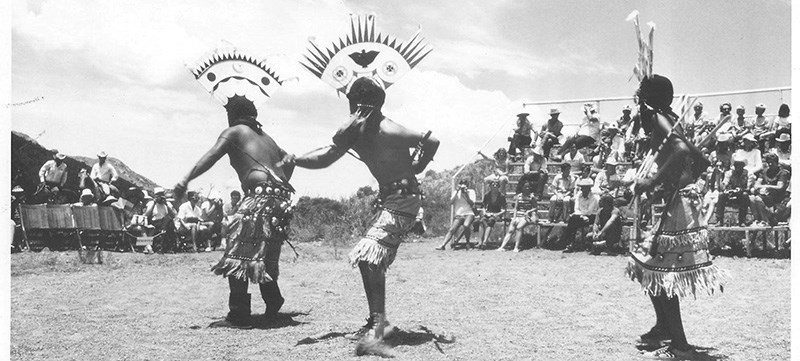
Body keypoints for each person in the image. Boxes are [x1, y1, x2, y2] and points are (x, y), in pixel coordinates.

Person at [291, 17, 438, 355]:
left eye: (358, 100)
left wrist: (419, 164)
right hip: (393, 200)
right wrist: (295, 160)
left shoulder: (389, 129)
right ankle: (378, 319)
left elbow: (432, 139)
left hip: (403, 199)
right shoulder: (357, 133)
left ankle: (380, 322)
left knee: (369, 256)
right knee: (369, 259)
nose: (354, 106)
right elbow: (328, 155)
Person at [177, 46, 296, 329]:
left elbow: (212, 155)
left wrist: (185, 179)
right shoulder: (266, 137)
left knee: (237, 254)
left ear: (232, 115)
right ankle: (273, 300)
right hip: (281, 198)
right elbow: (288, 165)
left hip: (260, 198)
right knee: (263, 253)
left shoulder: (233, 131)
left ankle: (239, 313)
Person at [625, 71, 725, 359]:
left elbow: (680, 149)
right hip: (676, 198)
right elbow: (698, 156)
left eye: (640, 94)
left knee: (662, 272)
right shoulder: (667, 116)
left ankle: (680, 346)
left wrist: (651, 182)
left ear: (646, 98)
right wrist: (679, 176)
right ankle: (664, 327)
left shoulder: (658, 117)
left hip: (677, 203)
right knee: (648, 266)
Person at [749, 153, 790, 226]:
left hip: (777, 197)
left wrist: (766, 186)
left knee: (758, 199)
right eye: (768, 162)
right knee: (751, 198)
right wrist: (759, 188)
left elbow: (780, 187)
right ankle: (757, 219)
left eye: (772, 162)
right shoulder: (764, 171)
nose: (770, 164)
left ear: (777, 163)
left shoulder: (782, 172)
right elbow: (757, 184)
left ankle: (765, 220)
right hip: (765, 195)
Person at [497, 180, 537, 252]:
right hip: (518, 215)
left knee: (519, 227)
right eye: (525, 187)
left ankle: (516, 247)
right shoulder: (518, 196)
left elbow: (535, 207)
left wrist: (529, 211)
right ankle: (502, 246)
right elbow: (515, 208)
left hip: (526, 215)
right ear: (522, 187)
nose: (527, 188)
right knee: (511, 230)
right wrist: (514, 218)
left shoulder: (531, 197)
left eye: (528, 187)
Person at [560, 178, 599, 252]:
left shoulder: (594, 198)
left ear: (589, 189)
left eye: (586, 188)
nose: (584, 190)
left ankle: (570, 243)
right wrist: (582, 215)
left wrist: (582, 215)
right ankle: (570, 243)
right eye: (583, 188)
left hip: (591, 217)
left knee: (573, 220)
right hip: (580, 216)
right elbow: (576, 208)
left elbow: (589, 211)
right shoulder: (579, 196)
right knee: (573, 220)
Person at [436, 180, 476, 250]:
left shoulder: (471, 192)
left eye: (465, 184)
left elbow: (472, 203)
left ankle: (467, 243)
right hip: (459, 214)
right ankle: (443, 245)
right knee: (452, 229)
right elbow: (451, 202)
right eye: (462, 184)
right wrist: (457, 191)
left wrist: (466, 194)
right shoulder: (456, 192)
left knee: (466, 225)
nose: (464, 186)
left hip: (469, 213)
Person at [715, 155, 751, 226]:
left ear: (743, 165)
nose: (738, 167)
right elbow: (725, 184)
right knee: (721, 195)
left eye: (740, 165)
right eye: (736, 165)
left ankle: (742, 220)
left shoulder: (749, 174)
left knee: (745, 195)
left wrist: (740, 190)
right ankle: (719, 220)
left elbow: (748, 187)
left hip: (741, 196)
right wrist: (726, 189)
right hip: (731, 194)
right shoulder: (729, 173)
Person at [144, 187, 177, 251]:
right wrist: (154, 203)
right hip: (154, 222)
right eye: (159, 195)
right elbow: (146, 215)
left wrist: (166, 204)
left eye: (162, 195)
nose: (161, 197)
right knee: (151, 229)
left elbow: (173, 216)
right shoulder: (151, 203)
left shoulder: (167, 204)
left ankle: (170, 246)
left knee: (168, 219)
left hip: (166, 223)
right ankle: (146, 246)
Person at [477, 180, 506, 249]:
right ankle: (480, 242)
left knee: (490, 221)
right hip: (488, 213)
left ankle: (484, 242)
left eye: (496, 185)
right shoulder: (487, 195)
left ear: (498, 186)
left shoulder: (501, 196)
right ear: (490, 186)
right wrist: (485, 213)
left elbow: (504, 210)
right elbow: (483, 206)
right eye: (493, 185)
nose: (494, 186)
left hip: (497, 214)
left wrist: (496, 214)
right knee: (482, 221)